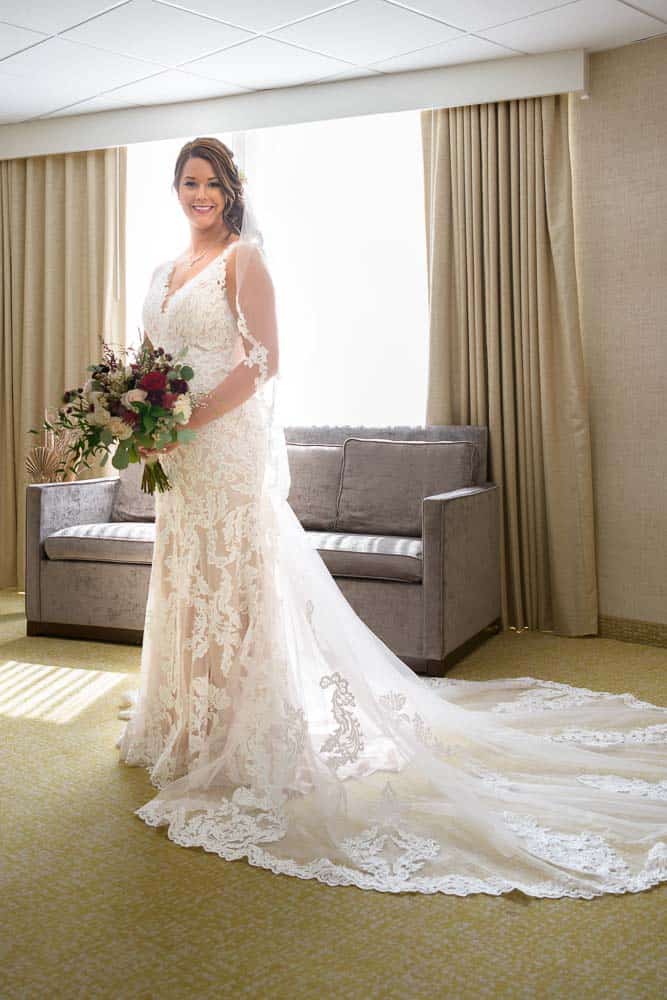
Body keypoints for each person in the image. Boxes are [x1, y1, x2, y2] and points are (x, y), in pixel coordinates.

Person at [118, 136, 667, 898]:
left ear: (231, 190)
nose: (199, 195)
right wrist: (140, 411)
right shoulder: (159, 270)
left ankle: (237, 730)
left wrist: (188, 420)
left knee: (235, 583)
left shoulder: (244, 260)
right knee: (186, 577)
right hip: (179, 460)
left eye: (210, 183)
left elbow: (262, 362)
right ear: (174, 189)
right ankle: (188, 717)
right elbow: (150, 359)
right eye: (188, 183)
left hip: (224, 449)